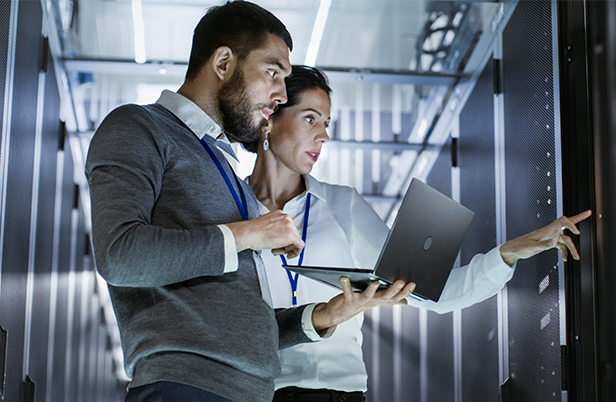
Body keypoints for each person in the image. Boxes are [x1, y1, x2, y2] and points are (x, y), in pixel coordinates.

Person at [85, 3, 412, 402]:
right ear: (223, 62)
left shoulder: (226, 172)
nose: (279, 94)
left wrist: (330, 313)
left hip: (251, 392)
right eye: (272, 72)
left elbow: (244, 321)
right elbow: (120, 255)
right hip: (184, 385)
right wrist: (249, 232)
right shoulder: (139, 127)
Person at [243, 65, 592, 402]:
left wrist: (509, 253)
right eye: (310, 118)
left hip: (338, 395)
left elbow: (432, 294)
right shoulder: (231, 215)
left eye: (327, 122)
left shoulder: (341, 204)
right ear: (270, 118)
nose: (324, 135)